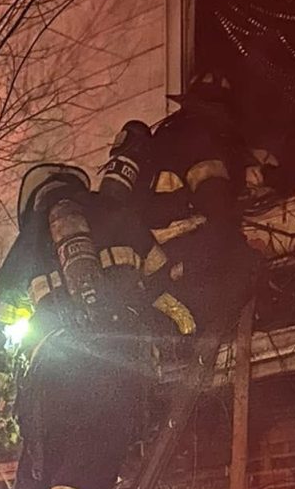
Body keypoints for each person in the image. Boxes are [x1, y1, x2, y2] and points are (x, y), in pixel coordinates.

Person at [0, 164, 182, 489]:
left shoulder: (26, 245)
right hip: (111, 359)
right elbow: (164, 279)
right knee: (97, 442)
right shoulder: (117, 215)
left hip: (49, 370)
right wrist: (176, 333)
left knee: (40, 455)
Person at [104, 72, 261, 343]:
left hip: (150, 272)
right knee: (246, 262)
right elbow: (217, 205)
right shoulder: (200, 138)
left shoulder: (163, 138)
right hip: (187, 261)